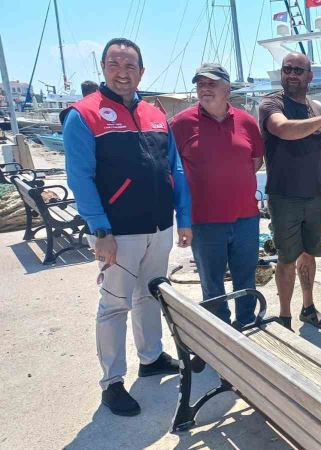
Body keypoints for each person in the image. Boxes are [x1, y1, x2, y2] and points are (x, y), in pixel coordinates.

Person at [61, 38, 192, 417]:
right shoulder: (84, 114)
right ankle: (112, 383)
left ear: (141, 72)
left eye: (130, 65)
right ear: (103, 68)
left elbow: (175, 168)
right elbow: (80, 177)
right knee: (114, 306)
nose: (122, 71)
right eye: (115, 63)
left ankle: (150, 358)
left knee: (150, 295)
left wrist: (183, 217)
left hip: (158, 227)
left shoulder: (154, 114)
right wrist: (100, 231)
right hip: (116, 233)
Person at [171, 63, 264, 329]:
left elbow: (255, 161)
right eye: (200, 84)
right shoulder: (181, 123)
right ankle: (221, 332)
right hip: (205, 221)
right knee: (212, 284)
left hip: (246, 218)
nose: (204, 88)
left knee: (246, 279)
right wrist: (183, 220)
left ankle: (246, 324)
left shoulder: (247, 121)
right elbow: (172, 171)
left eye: (211, 83)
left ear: (227, 87)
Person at [259, 52, 321, 331]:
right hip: (285, 197)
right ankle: (284, 317)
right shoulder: (272, 103)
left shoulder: (317, 107)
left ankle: (308, 307)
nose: (292, 74)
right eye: (287, 69)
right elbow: (282, 129)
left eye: (298, 70)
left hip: (317, 196)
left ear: (309, 75)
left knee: (310, 254)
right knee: (286, 259)